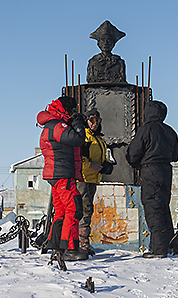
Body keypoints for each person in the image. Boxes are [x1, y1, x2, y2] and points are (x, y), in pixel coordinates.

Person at [37, 96, 88, 261]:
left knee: (61, 211)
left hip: (56, 174)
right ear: (66, 110)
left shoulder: (52, 124)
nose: (73, 113)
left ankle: (57, 245)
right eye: (72, 110)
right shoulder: (58, 125)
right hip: (62, 173)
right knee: (74, 208)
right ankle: (70, 249)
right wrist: (79, 123)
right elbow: (77, 139)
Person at [126, 100, 178, 258]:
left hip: (150, 171)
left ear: (147, 113)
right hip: (166, 171)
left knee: (153, 208)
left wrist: (136, 164)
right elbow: (175, 156)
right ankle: (170, 243)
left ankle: (158, 249)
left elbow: (133, 153)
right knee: (163, 207)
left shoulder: (145, 130)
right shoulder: (170, 131)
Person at [77, 109, 109, 256]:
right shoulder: (84, 137)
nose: (95, 124)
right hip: (83, 178)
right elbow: (78, 157)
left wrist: (106, 165)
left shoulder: (99, 139)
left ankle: (84, 243)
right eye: (92, 120)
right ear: (86, 121)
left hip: (93, 179)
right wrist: (90, 164)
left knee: (88, 211)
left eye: (98, 121)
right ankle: (81, 244)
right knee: (84, 210)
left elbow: (103, 156)